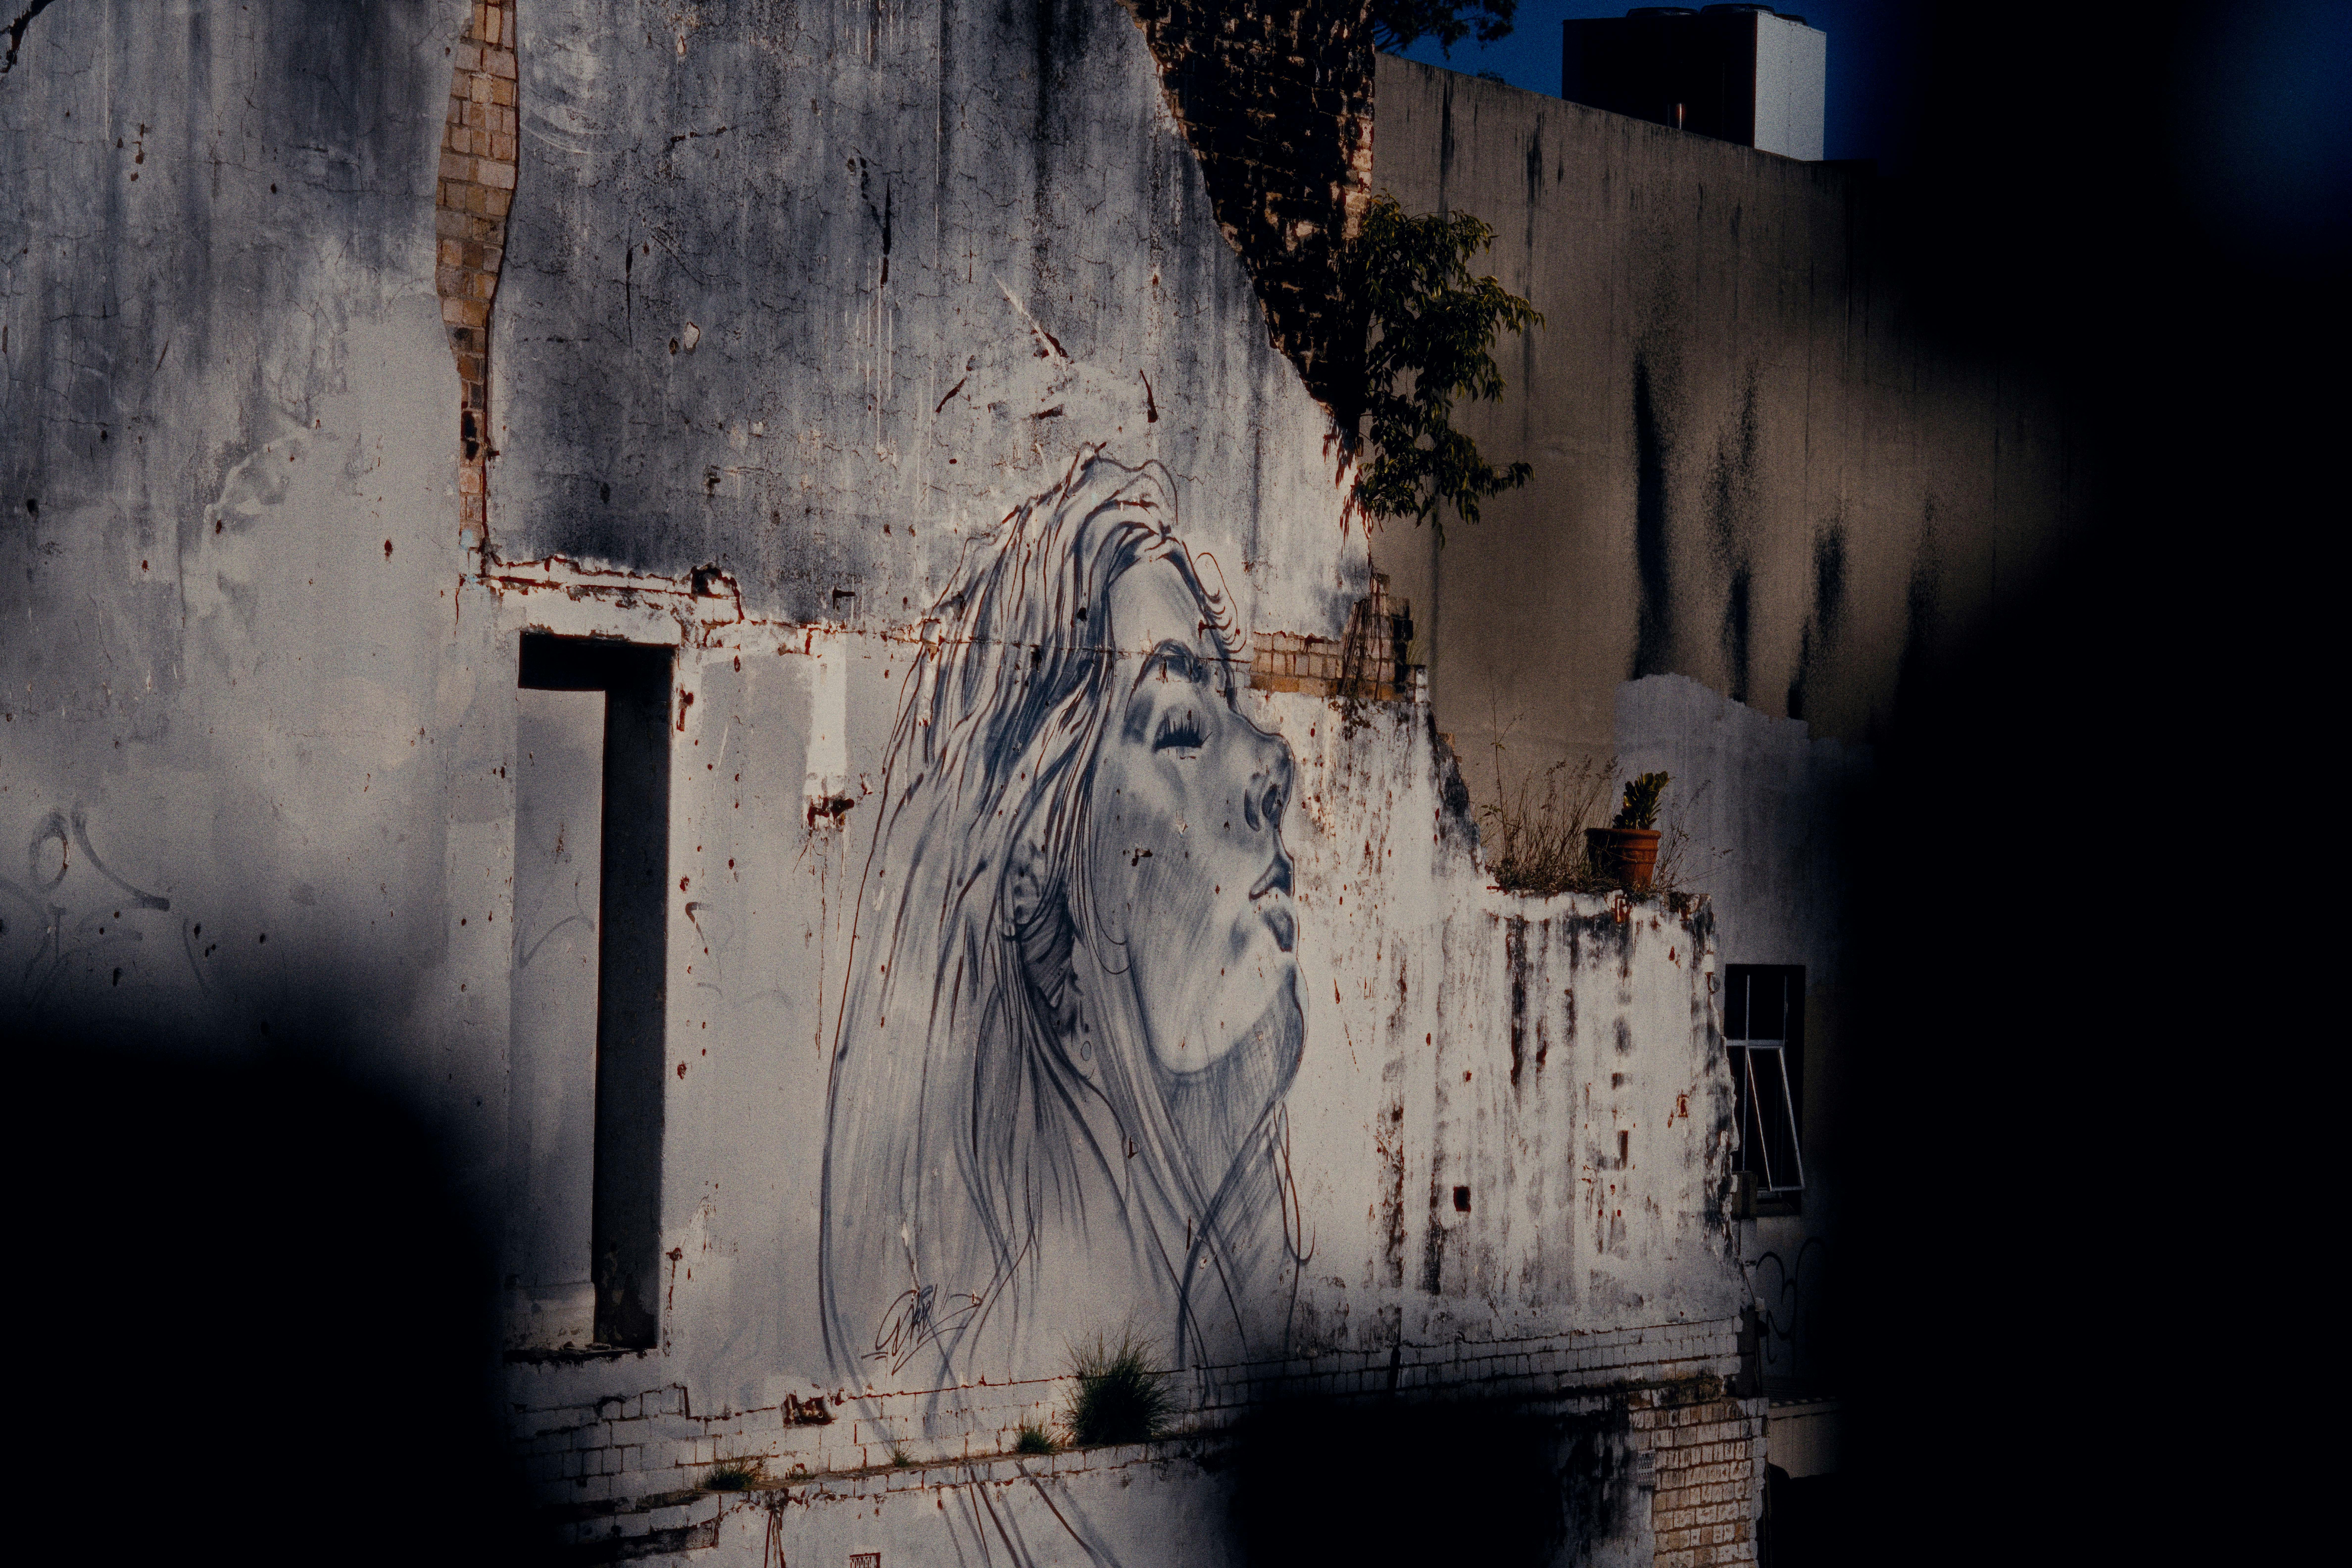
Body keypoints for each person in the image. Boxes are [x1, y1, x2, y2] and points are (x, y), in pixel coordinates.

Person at [820, 446, 1307, 1449]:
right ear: (1043, 913)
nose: (1274, 762)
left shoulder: (1195, 1355)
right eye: (1179, 727)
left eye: (1232, 705)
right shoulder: (989, 1437)